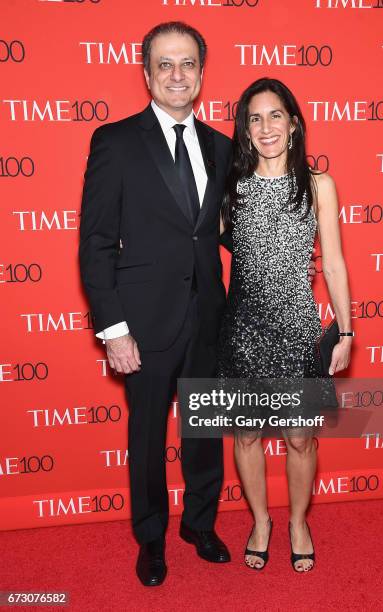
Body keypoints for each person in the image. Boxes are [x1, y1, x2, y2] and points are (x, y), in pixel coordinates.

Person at [79, 22, 233, 587]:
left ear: (200, 73)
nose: (176, 74)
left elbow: (222, 230)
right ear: (146, 74)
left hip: (208, 316)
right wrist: (113, 328)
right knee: (146, 437)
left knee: (204, 431)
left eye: (187, 63)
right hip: (143, 322)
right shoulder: (115, 142)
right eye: (164, 64)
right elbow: (95, 242)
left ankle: (200, 524)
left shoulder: (221, 146)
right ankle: (151, 539)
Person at [217, 78, 352, 573]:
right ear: (244, 129)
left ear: (294, 124)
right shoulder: (230, 185)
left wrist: (346, 331)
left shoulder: (319, 185)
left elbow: (333, 264)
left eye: (276, 115)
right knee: (247, 436)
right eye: (255, 118)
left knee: (300, 438)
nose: (266, 126)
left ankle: (297, 522)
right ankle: (260, 521)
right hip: (244, 331)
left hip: (297, 330)